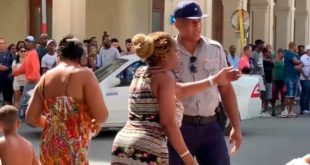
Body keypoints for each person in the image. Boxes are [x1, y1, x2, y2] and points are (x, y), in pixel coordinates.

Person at [111, 32, 240, 165]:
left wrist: (215, 80)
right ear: (164, 56)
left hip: (123, 145)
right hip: (147, 149)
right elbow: (168, 123)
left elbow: (180, 91)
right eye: (175, 51)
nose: (178, 55)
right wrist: (188, 158)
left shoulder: (141, 72)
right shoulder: (165, 78)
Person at [169, 1, 242, 164]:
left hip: (210, 127)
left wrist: (236, 127)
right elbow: (173, 91)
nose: (197, 26)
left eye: (199, 21)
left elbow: (226, 90)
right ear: (177, 23)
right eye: (192, 22)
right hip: (179, 128)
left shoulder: (215, 49)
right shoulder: (168, 52)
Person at [26, 35, 108, 164]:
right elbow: (102, 116)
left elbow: (30, 117)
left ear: (59, 55)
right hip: (73, 148)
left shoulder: (46, 77)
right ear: (80, 57)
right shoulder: (84, 74)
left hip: (48, 148)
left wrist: (55, 126)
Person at [12, 36, 41, 118]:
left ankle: (27, 118)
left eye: (29, 42)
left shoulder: (33, 53)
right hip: (31, 80)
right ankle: (29, 117)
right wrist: (15, 73)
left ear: (33, 43)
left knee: (25, 100)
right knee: (29, 100)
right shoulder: (29, 53)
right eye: (26, 42)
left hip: (33, 81)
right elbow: (24, 67)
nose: (27, 43)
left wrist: (33, 79)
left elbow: (36, 68)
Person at [280, 42, 302, 118]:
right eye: (296, 47)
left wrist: (299, 64)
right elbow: (296, 62)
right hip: (288, 76)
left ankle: (290, 111)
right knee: (288, 94)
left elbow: (299, 66)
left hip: (295, 76)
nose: (297, 48)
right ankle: (284, 111)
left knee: (293, 95)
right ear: (292, 47)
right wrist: (299, 63)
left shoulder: (297, 55)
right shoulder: (288, 54)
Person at [271, 48, 286, 115]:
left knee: (283, 95)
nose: (283, 54)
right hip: (276, 80)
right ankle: (273, 110)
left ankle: (283, 110)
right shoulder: (274, 61)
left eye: (283, 53)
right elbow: (273, 70)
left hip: (283, 80)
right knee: (274, 95)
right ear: (278, 53)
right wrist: (273, 79)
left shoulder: (284, 61)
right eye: (282, 53)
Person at [0, 37, 14, 105]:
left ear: (5, 44)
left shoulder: (10, 53)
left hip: (7, 80)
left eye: (3, 43)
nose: (1, 45)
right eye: (0, 43)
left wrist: (8, 68)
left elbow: (13, 65)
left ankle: (6, 114)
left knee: (7, 100)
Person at [261, 48, 274, 117]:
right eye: (269, 52)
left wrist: (273, 81)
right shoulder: (262, 61)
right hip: (263, 80)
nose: (270, 54)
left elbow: (272, 71)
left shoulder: (270, 62)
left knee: (268, 97)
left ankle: (266, 110)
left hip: (269, 80)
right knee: (262, 96)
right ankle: (261, 110)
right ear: (265, 53)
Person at [299, 45, 310, 114]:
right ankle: (303, 109)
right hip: (304, 78)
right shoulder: (303, 57)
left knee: (308, 94)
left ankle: (307, 108)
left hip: (309, 78)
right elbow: (300, 68)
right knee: (305, 93)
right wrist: (304, 75)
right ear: (307, 50)